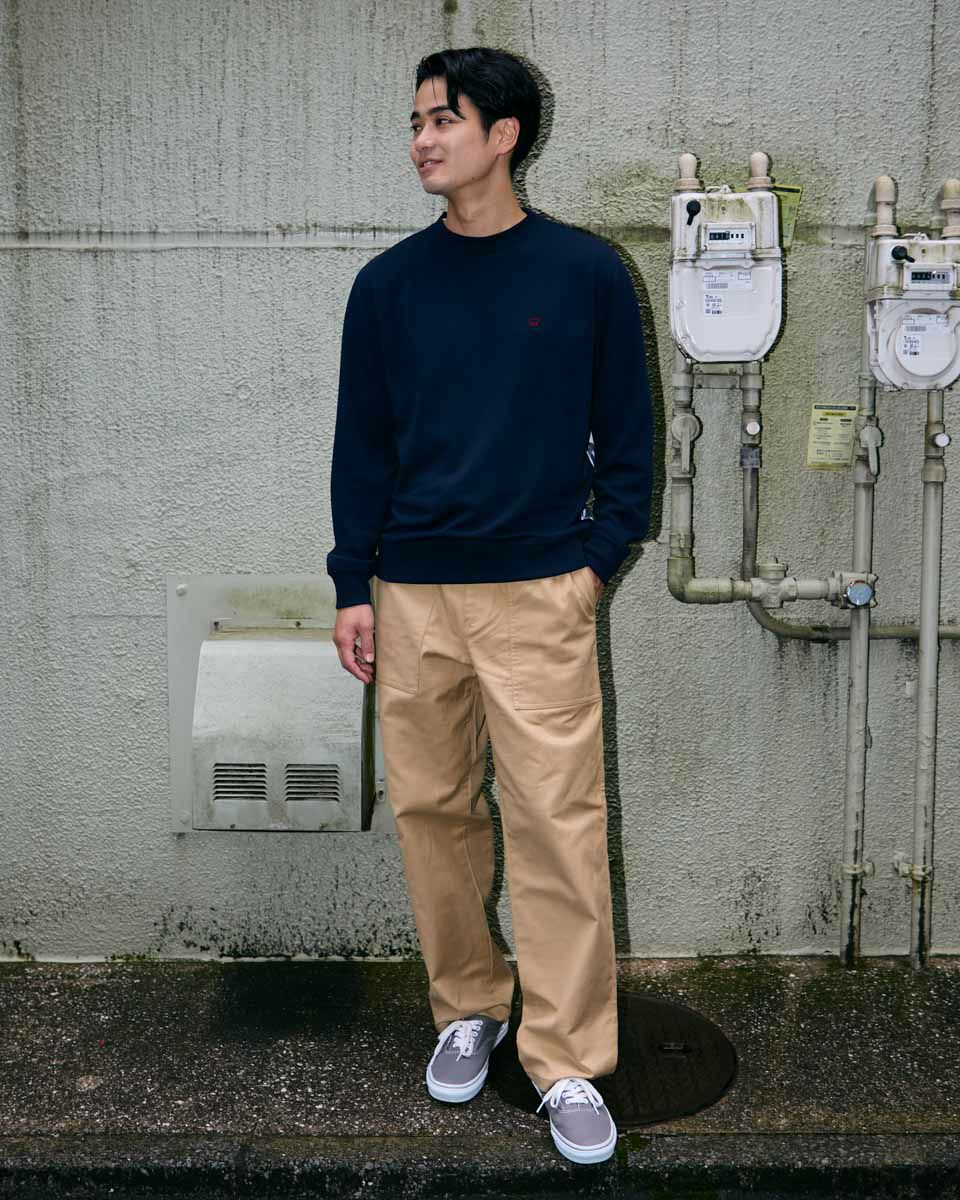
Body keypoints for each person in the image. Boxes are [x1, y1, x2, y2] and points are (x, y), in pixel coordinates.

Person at [326, 46, 654, 1166]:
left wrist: (590, 566)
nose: (421, 139)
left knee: (557, 824)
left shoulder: (585, 272)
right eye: (415, 121)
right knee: (433, 813)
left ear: (503, 134)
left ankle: (568, 1063)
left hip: (537, 592)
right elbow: (361, 448)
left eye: (443, 120)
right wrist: (352, 582)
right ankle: (469, 1005)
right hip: (412, 591)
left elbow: (631, 441)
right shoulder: (387, 286)